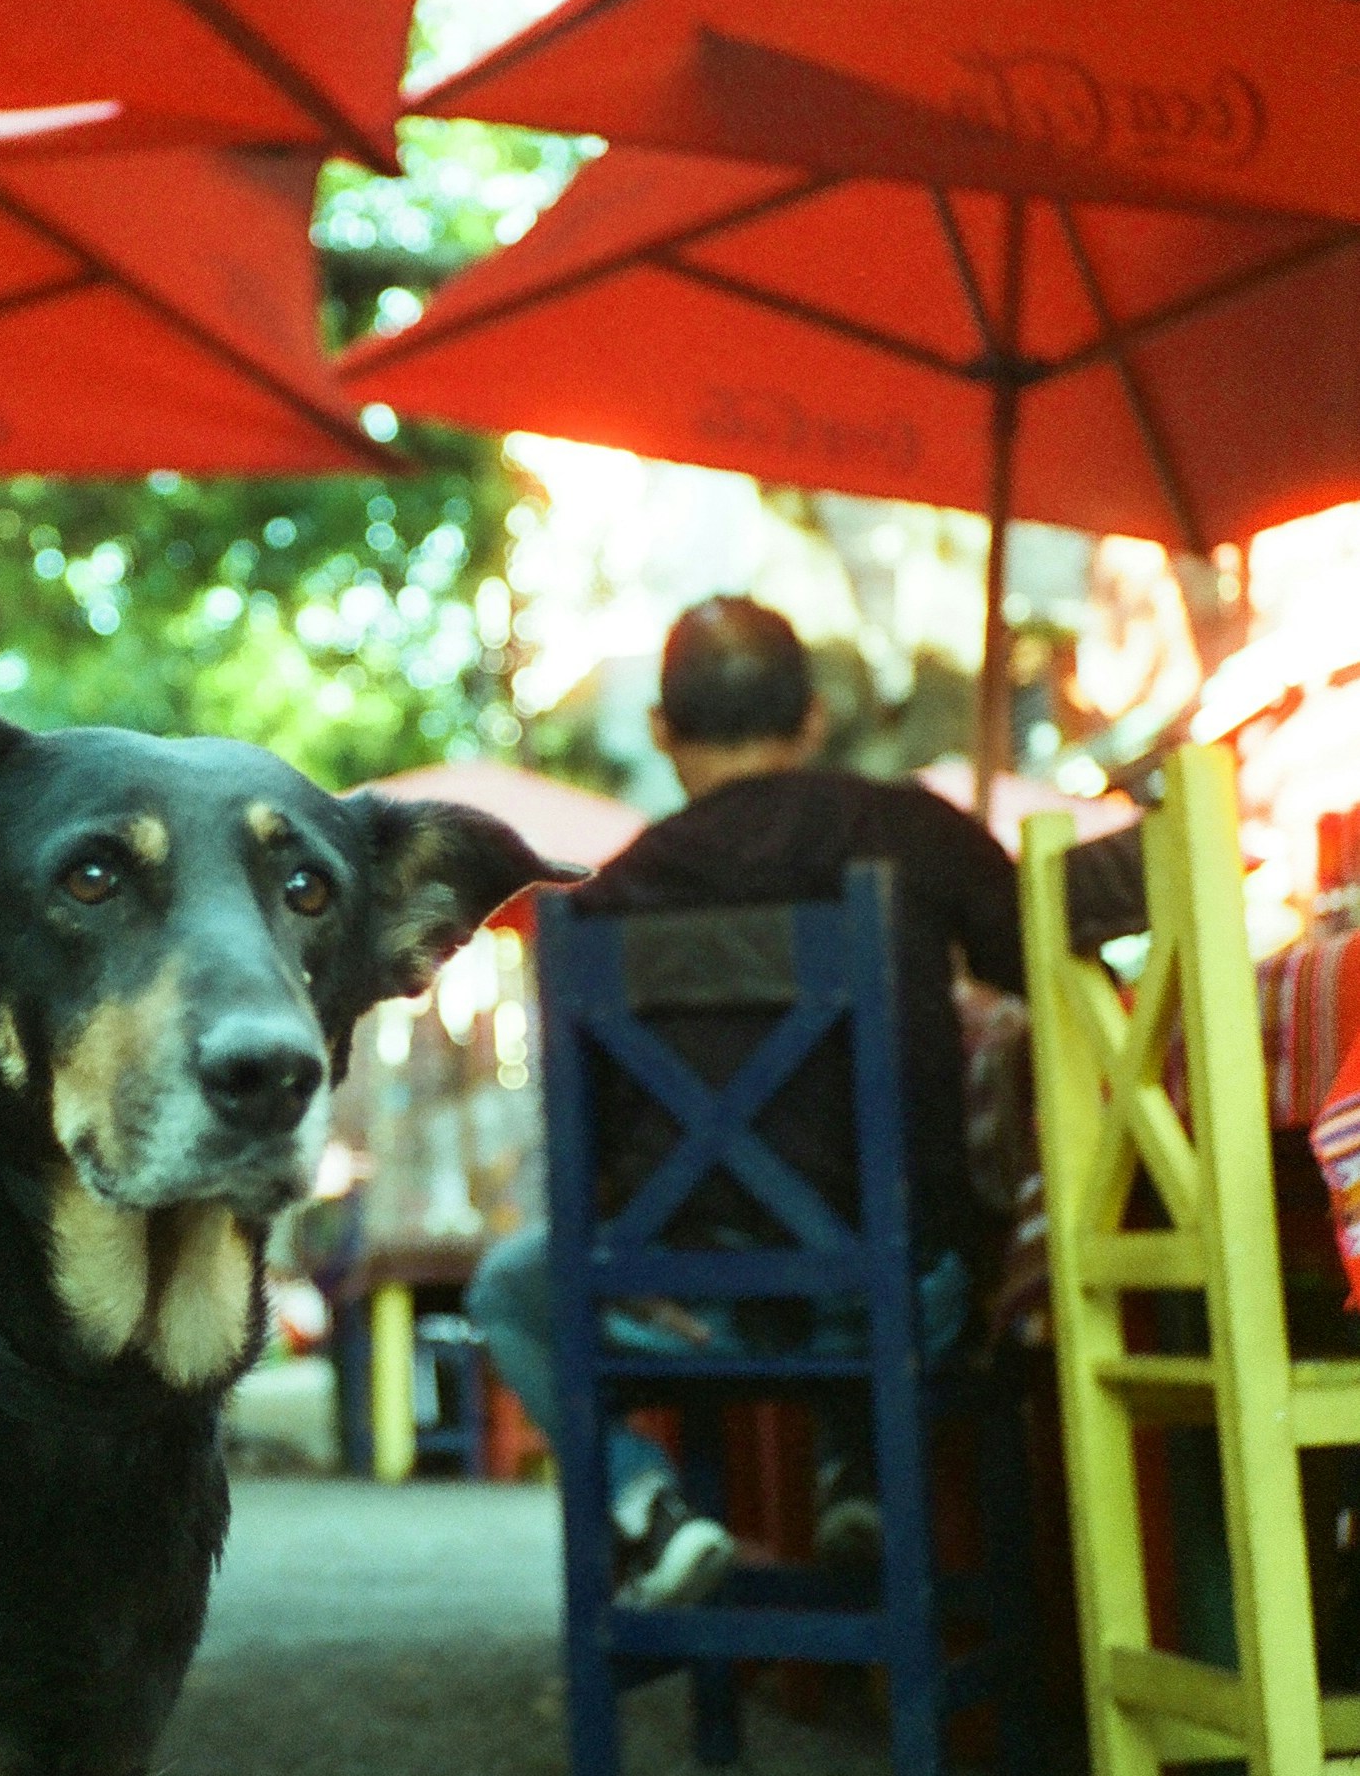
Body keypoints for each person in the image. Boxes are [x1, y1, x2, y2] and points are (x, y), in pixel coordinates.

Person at [469, 595, 1130, 1608]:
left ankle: (650, 1508)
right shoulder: (908, 829)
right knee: (884, 1191)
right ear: (813, 716)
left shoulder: (601, 902)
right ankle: (856, 1475)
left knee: (508, 1289)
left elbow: (585, 1155)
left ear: (660, 729)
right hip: (900, 1298)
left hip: (695, 1312)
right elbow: (1034, 957)